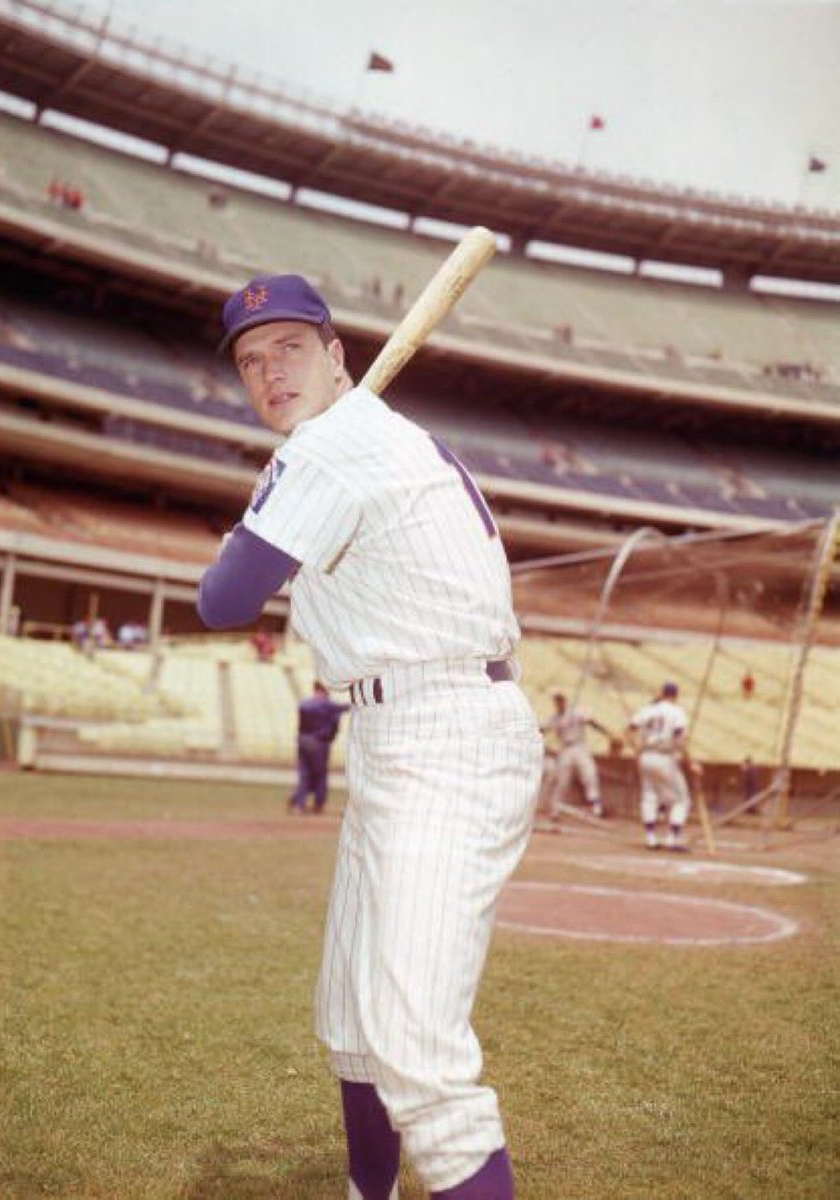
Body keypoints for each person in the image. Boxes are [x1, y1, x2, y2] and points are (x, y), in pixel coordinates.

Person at [197, 274, 542, 1200]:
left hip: (447, 734)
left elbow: (223, 600)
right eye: (250, 361)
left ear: (337, 355)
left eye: (290, 350)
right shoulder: (344, 442)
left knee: (416, 1054)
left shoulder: (332, 450)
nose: (270, 372)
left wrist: (262, 500)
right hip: (395, 731)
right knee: (352, 1016)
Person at [627, 681, 694, 852]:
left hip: (646, 755)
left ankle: (650, 837)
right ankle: (672, 838)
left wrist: (636, 749)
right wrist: (691, 762)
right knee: (681, 799)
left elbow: (629, 730)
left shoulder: (649, 709)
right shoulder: (676, 711)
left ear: (662, 693)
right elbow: (679, 737)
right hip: (665, 756)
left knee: (649, 795)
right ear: (675, 695)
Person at [544, 691, 612, 819]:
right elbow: (544, 729)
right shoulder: (554, 718)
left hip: (580, 747)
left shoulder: (576, 713)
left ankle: (596, 807)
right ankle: (555, 810)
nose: (559, 704)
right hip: (565, 749)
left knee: (589, 775)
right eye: (557, 701)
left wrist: (607, 733)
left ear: (565, 701)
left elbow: (592, 722)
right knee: (562, 780)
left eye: (561, 700)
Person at [289, 681, 350, 814]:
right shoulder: (327, 704)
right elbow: (345, 709)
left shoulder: (304, 704)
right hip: (318, 743)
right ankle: (318, 803)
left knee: (304, 774)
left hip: (302, 740)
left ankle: (299, 804)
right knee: (320, 774)